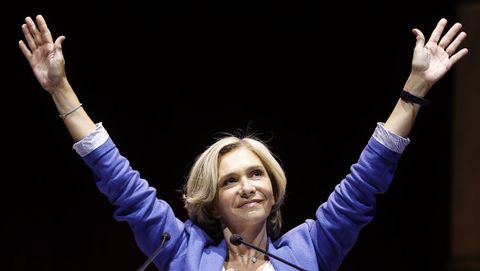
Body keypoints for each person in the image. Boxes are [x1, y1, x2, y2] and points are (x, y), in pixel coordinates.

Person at [19, 14, 468, 271]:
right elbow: (119, 181)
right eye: (230, 180)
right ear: (212, 203)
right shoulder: (180, 249)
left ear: (274, 190)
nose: (248, 186)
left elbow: (364, 183)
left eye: (256, 174)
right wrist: (60, 89)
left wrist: (414, 89)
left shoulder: (311, 248)